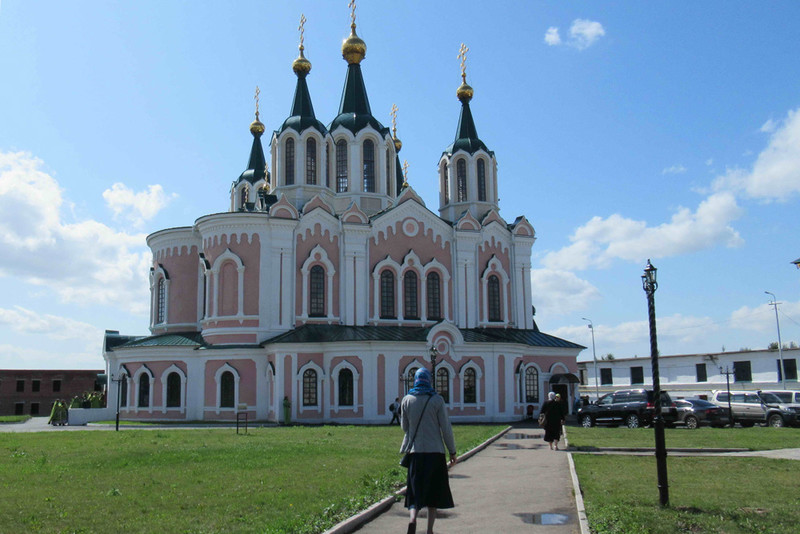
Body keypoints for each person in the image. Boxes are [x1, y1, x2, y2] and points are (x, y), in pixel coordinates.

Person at [400, 368, 457, 534]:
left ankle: (412, 519)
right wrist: (452, 451)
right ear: (428, 381)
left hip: (415, 454)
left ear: (416, 380)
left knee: (414, 492)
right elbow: (445, 428)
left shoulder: (407, 400)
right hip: (435, 454)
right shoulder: (437, 400)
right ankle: (429, 530)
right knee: (434, 493)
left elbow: (405, 427)